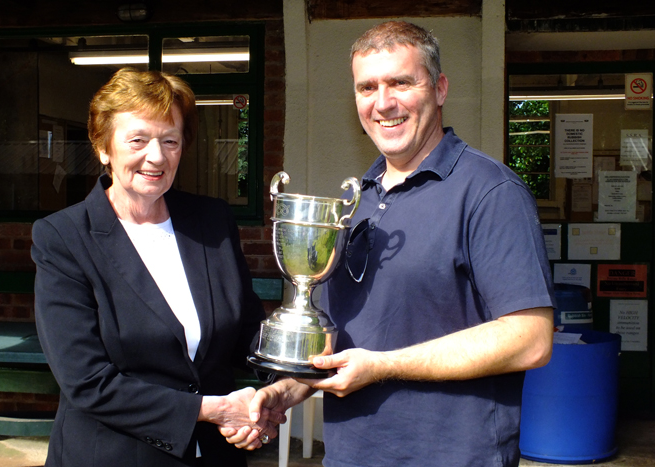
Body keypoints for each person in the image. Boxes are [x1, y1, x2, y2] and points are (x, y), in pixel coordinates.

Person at [227, 21, 556, 466]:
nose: (383, 103)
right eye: (367, 87)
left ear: (439, 89)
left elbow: (530, 338)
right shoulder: (357, 199)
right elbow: (356, 338)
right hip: (351, 454)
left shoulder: (489, 192)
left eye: (401, 82)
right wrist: (289, 389)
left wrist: (383, 366)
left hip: (452, 456)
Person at [32, 67, 282, 467]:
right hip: (112, 456)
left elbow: (248, 333)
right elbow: (87, 381)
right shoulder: (63, 238)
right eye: (138, 140)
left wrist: (273, 394)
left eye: (170, 140)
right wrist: (211, 409)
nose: (156, 156)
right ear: (103, 148)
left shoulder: (211, 221)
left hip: (217, 453)